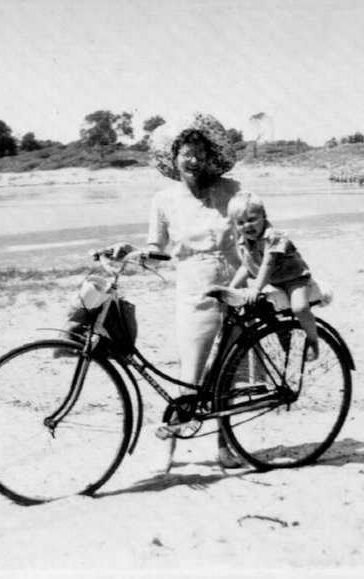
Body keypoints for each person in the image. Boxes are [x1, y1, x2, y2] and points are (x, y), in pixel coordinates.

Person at [112, 112, 244, 469]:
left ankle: (225, 448)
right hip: (194, 290)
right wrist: (130, 251)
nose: (193, 159)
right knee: (191, 373)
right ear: (173, 158)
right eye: (186, 152)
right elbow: (157, 252)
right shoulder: (164, 200)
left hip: (235, 286)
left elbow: (256, 228)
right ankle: (167, 447)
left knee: (228, 374)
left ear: (209, 156)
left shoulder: (231, 190)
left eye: (200, 152)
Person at [226, 193, 320, 361]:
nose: (247, 226)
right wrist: (231, 288)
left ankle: (313, 340)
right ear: (234, 224)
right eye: (240, 222)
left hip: (294, 277)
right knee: (265, 312)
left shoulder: (273, 236)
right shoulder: (244, 241)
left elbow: (267, 265)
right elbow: (245, 266)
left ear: (264, 217)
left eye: (252, 219)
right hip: (273, 280)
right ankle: (286, 343)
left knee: (300, 308)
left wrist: (256, 287)